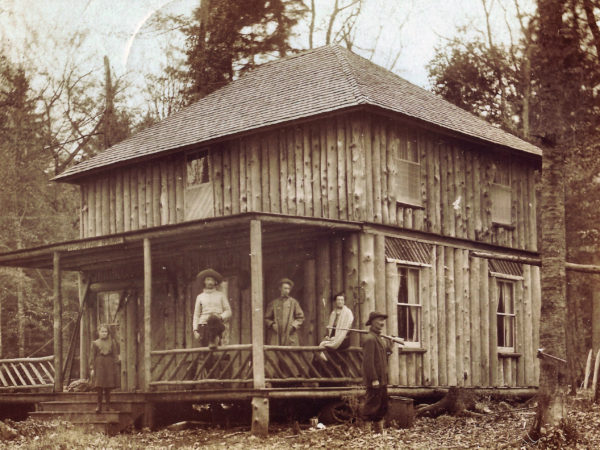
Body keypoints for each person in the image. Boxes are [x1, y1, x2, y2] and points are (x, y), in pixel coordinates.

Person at [361, 311, 392, 433]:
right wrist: (373, 378)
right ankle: (367, 433)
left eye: (383, 321)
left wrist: (390, 348)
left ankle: (379, 432)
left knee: (382, 405)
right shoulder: (370, 339)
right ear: (372, 322)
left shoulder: (380, 339)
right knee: (371, 405)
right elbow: (368, 362)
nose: (382, 323)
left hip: (382, 378)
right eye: (379, 320)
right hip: (375, 379)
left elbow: (384, 356)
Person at [193, 268, 232, 348]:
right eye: (207, 280)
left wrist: (220, 317)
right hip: (204, 326)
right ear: (204, 281)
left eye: (212, 280)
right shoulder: (200, 297)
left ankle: (214, 341)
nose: (210, 282)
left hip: (217, 325)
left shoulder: (221, 295)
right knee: (205, 354)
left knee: (217, 352)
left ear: (215, 282)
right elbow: (196, 315)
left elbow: (228, 311)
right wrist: (195, 330)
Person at [265, 278, 304, 346]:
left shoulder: (294, 303)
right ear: (280, 288)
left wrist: (293, 326)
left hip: (290, 334)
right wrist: (272, 325)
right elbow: (267, 318)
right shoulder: (274, 303)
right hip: (277, 334)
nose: (287, 291)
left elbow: (300, 317)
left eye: (288, 289)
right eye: (285, 288)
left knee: (291, 353)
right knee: (276, 352)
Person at [89, 324, 120, 413]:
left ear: (108, 333)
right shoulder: (95, 343)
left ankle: (108, 406)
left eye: (105, 331)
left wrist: (116, 366)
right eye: (102, 331)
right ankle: (99, 406)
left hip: (109, 364)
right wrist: (92, 368)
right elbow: (92, 356)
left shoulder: (112, 342)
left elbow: (115, 355)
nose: (104, 333)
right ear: (99, 332)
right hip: (99, 364)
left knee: (108, 386)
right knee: (99, 386)